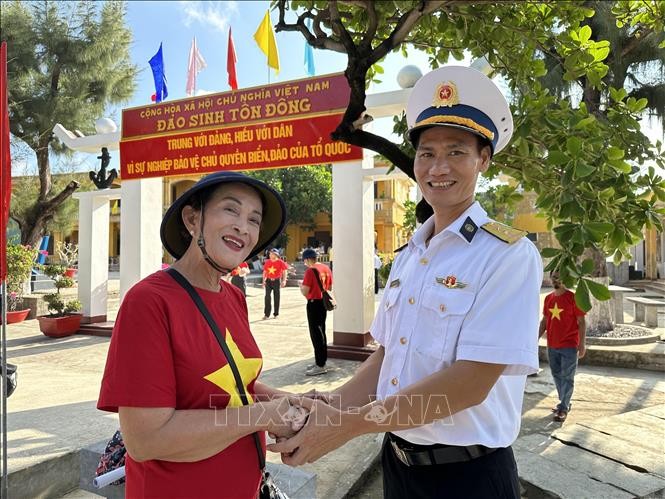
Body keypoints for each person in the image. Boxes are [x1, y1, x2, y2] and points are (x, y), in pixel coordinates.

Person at [269, 65, 543, 499]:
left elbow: (471, 383)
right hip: (397, 466)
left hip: (469, 478)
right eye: (426, 153)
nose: (438, 167)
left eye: (456, 152)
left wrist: (349, 426)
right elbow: (386, 357)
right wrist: (332, 404)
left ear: (483, 160)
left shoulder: (508, 255)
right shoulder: (410, 254)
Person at [97, 171, 307, 498]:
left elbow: (231, 384)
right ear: (193, 218)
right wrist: (263, 415)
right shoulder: (149, 301)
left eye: (254, 220)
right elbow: (145, 440)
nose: (244, 227)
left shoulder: (234, 297)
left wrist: (283, 399)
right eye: (231, 210)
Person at [538, 271, 586, 422]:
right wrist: (535, 339)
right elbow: (544, 321)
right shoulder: (548, 298)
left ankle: (563, 407)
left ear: (565, 278)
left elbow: (582, 322)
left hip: (569, 345)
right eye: (553, 277)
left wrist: (582, 343)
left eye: (558, 276)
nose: (555, 280)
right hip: (552, 344)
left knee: (567, 377)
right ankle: (564, 402)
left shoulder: (573, 298)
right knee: (557, 375)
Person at [299, 248, 334, 376]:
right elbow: (329, 287)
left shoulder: (310, 270)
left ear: (308, 259)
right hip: (323, 304)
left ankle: (320, 365)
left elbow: (305, 291)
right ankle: (321, 361)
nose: (304, 263)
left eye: (304, 260)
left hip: (313, 303)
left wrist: (300, 287)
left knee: (316, 334)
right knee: (322, 332)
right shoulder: (326, 268)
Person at [262, 248, 289, 319]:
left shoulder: (280, 262)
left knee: (276, 297)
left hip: (277, 281)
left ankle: (276, 314)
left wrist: (284, 280)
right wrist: (263, 281)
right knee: (267, 297)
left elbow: (284, 271)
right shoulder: (267, 262)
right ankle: (266, 314)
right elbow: (264, 272)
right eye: (270, 254)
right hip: (268, 281)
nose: (270, 255)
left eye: (272, 254)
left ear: (276, 255)